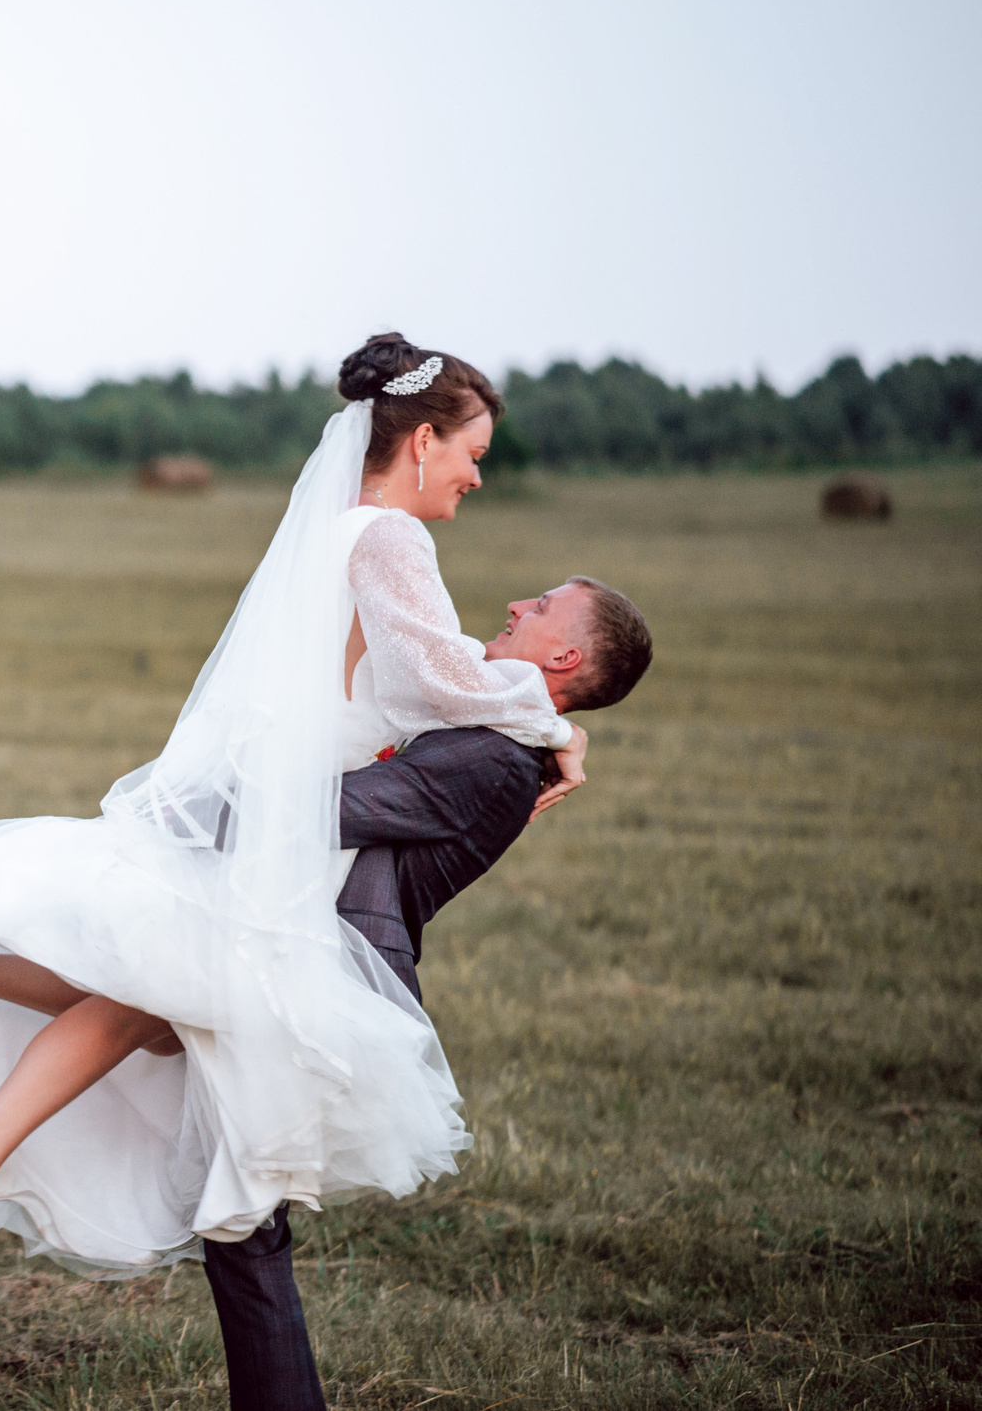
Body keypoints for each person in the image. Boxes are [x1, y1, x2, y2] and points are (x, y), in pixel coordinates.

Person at [0, 334, 591, 1302]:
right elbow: (437, 677)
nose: (475, 475)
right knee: (160, 995)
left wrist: (545, 724)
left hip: (262, 794)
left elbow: (422, 674)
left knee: (168, 1009)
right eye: (472, 452)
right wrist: (549, 719)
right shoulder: (388, 534)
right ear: (421, 439)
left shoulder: (340, 530)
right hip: (280, 821)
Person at [203, 579, 652, 1410]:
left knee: (244, 1214)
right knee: (241, 1218)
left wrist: (189, 798)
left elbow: (319, 811)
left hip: (317, 986)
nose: (517, 603)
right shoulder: (503, 742)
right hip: (290, 963)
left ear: (565, 654)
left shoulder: (487, 762)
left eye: (543, 604)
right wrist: (565, 728)